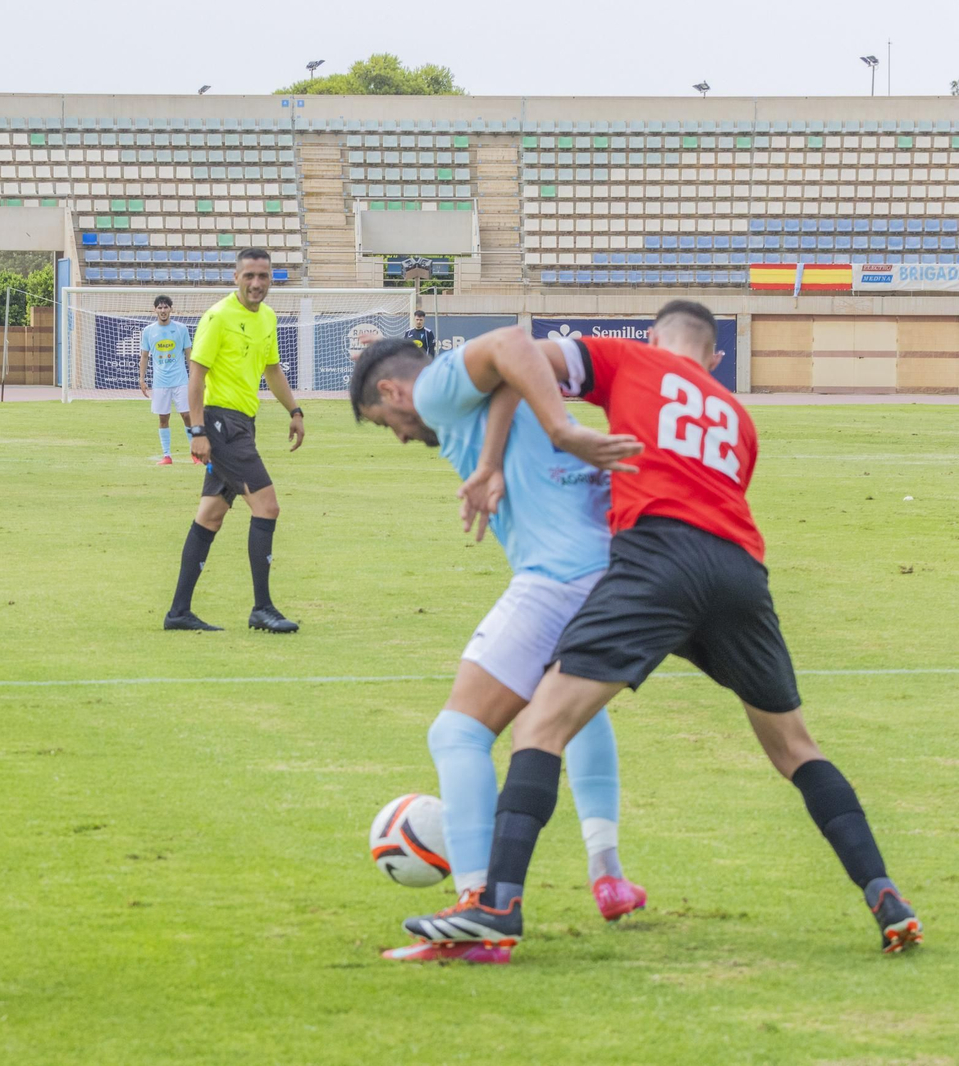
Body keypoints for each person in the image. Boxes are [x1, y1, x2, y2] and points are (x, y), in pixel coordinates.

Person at [400, 301, 923, 956]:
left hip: (655, 560)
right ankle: (885, 893)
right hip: (739, 571)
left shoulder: (630, 359)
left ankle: (497, 904)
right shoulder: (738, 417)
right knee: (796, 749)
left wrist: (509, 453)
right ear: (716, 359)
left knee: (541, 725)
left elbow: (515, 359)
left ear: (653, 337)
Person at [350, 338, 646, 964]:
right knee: (565, 710)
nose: (402, 437)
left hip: (556, 578)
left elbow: (513, 344)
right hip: (617, 577)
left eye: (390, 425)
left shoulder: (433, 391)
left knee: (456, 733)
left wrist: (564, 431)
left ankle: (476, 901)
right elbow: (515, 369)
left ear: (392, 392)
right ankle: (608, 872)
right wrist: (503, 457)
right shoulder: (501, 397)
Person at [163, 249, 302, 634]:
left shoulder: (269, 318)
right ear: (236, 277)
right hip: (220, 424)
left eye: (264, 276)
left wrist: (295, 410)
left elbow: (272, 369)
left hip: (244, 422)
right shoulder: (218, 317)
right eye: (250, 276)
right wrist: (197, 431)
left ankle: (178, 613)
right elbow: (196, 376)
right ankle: (263, 608)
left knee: (210, 515)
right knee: (267, 506)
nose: (257, 283)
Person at [138, 295, 199, 466]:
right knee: (163, 418)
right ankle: (167, 456)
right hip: (160, 383)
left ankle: (195, 453)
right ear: (155, 310)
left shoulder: (181, 329)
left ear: (171, 309)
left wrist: (194, 376)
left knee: (187, 416)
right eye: (160, 307)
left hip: (180, 381)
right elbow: (144, 356)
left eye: (166, 307)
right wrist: (141, 379)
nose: (163, 311)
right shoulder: (149, 331)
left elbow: (189, 353)